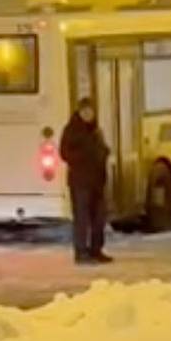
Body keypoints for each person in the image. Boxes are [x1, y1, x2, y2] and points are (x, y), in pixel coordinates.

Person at [60, 97, 112, 265]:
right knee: (82, 218)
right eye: (85, 111)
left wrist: (103, 153)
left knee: (99, 218)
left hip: (97, 180)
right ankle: (81, 252)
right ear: (79, 112)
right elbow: (64, 153)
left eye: (90, 111)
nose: (88, 114)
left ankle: (96, 249)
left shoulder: (96, 130)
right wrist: (85, 155)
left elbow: (102, 149)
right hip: (80, 181)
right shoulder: (72, 130)